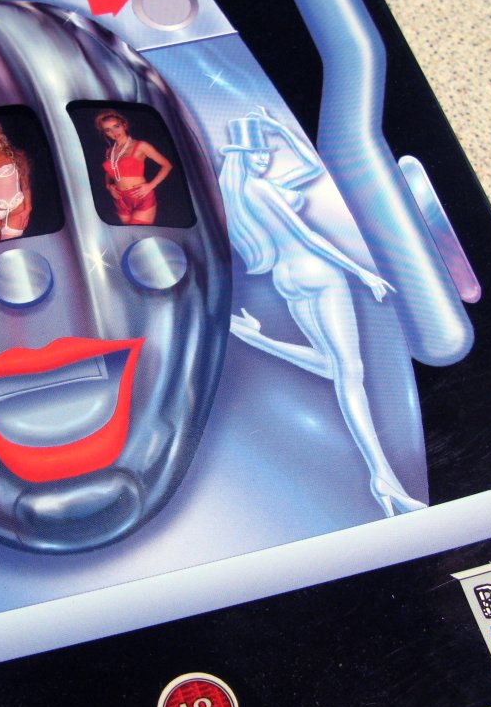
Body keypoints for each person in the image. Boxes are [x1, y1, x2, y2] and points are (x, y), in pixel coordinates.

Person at [218, 109, 425, 517]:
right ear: (240, 156)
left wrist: (279, 129)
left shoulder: (245, 193)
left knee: (335, 368)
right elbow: (308, 235)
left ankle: (257, 338)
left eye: (265, 150)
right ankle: (382, 476)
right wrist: (362, 272)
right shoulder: (263, 190)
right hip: (318, 272)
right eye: (256, 151)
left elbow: (311, 168)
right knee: (351, 373)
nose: (264, 157)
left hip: (288, 278)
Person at [95, 109, 172, 225]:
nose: (114, 132)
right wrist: (108, 186)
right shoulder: (109, 151)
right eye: (108, 130)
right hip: (120, 199)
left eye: (116, 126)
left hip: (140, 196)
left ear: (124, 125)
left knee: (138, 232)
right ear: (105, 133)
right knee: (128, 234)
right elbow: (109, 172)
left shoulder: (141, 146)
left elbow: (167, 165)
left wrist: (151, 185)